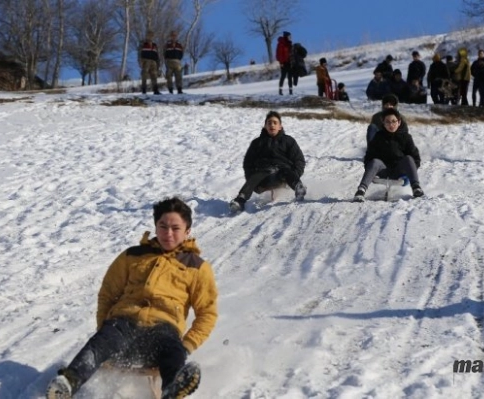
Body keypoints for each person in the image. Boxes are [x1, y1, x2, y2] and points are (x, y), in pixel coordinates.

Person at [45, 197, 218, 399]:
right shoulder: (132, 255)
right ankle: (67, 384)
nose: (168, 233)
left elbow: (207, 313)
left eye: (175, 228)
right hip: (123, 324)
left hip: (163, 330)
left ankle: (172, 390)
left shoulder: (196, 266)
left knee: (174, 351)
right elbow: (108, 293)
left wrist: (188, 345)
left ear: (187, 231)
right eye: (162, 226)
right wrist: (104, 325)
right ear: (155, 226)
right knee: (100, 343)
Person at [229, 111, 306, 212]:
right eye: (269, 123)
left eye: (275, 123)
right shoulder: (257, 143)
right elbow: (248, 163)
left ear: (280, 126)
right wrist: (252, 181)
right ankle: (240, 200)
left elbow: (299, 160)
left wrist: (294, 176)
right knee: (259, 173)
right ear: (265, 126)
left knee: (285, 170)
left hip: (283, 176)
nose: (272, 125)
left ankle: (299, 188)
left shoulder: (288, 141)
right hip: (264, 177)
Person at [353, 108, 424, 202]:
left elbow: (415, 158)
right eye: (388, 122)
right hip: (383, 170)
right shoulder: (378, 137)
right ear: (383, 123)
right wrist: (370, 169)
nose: (391, 125)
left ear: (399, 122)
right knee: (375, 161)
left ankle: (416, 188)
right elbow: (369, 156)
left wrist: (409, 172)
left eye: (394, 121)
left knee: (408, 158)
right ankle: (361, 191)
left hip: (399, 171)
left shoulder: (406, 137)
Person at [139, 31, 161, 95]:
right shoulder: (143, 43)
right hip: (145, 61)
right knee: (144, 75)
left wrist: (158, 63)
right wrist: (140, 61)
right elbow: (139, 53)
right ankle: (144, 90)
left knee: (154, 76)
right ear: (146, 36)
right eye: (148, 35)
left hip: (154, 62)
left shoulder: (155, 45)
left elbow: (157, 55)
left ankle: (156, 90)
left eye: (151, 36)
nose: (150, 37)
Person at [276, 31, 293, 95]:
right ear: (286, 36)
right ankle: (280, 90)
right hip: (284, 63)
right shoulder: (281, 44)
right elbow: (279, 54)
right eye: (289, 36)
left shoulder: (289, 43)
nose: (290, 37)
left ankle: (291, 91)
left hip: (289, 62)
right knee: (283, 76)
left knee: (290, 77)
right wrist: (281, 62)